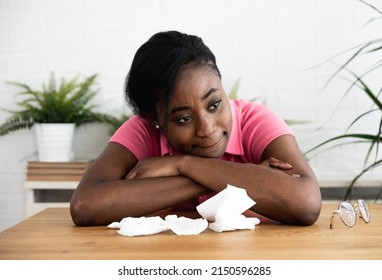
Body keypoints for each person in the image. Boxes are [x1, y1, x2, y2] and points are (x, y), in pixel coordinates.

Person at [70, 30, 322, 227]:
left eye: (214, 104)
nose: (207, 129)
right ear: (154, 118)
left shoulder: (256, 121)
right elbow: (85, 205)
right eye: (183, 119)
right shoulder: (142, 130)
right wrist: (243, 176)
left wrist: (183, 164)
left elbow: (306, 203)